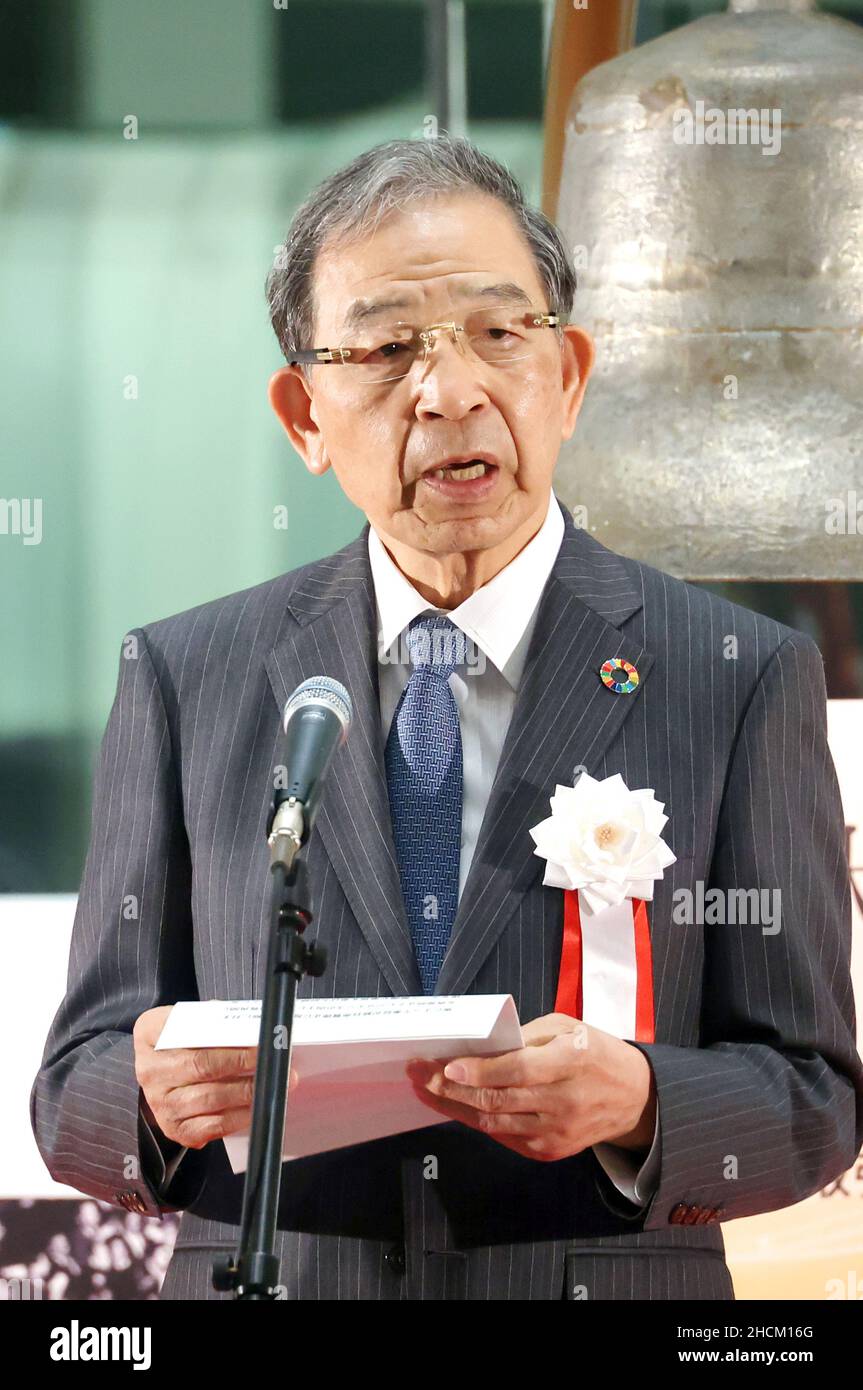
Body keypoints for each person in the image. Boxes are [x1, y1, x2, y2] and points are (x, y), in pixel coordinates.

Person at [31, 137, 863, 1301]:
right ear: (303, 415)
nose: (450, 389)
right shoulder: (186, 674)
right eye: (382, 349)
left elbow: (814, 1102)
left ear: (566, 376)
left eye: (496, 333)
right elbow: (72, 1088)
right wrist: (154, 1104)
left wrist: (638, 1102)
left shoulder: (734, 673)